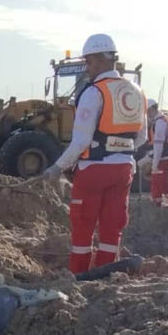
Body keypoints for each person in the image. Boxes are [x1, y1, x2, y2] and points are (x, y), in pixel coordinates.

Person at [44, 33, 147, 274]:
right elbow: (141, 137)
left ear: (101, 60)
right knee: (113, 226)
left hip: (94, 170)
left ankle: (79, 276)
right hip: (124, 169)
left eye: (88, 63)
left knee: (83, 224)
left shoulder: (94, 92)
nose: (87, 69)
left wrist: (58, 167)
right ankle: (106, 275)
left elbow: (80, 141)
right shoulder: (136, 92)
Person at [143, 99, 168, 209]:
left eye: (147, 111)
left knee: (160, 185)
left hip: (162, 159)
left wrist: (154, 164)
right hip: (162, 158)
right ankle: (165, 205)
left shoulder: (159, 123)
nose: (147, 114)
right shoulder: (160, 121)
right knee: (160, 185)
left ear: (151, 109)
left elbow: (158, 145)